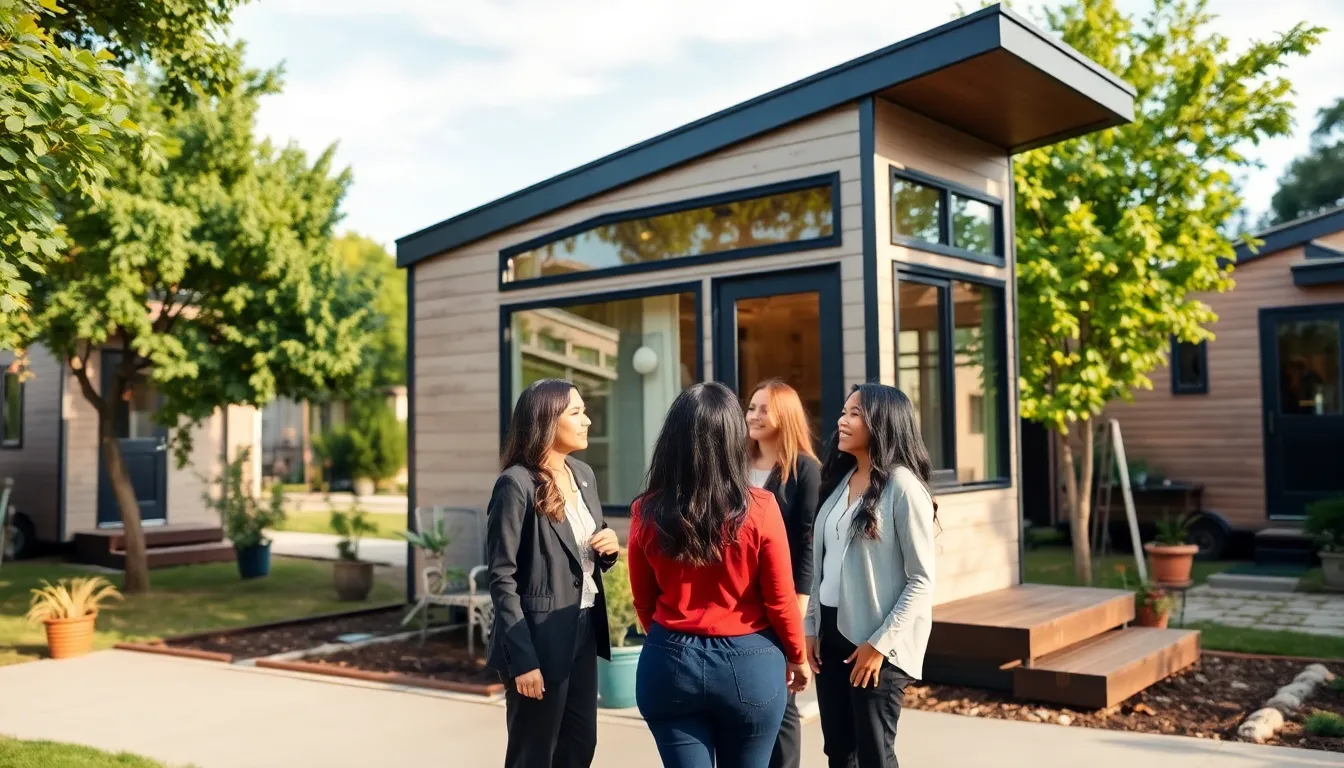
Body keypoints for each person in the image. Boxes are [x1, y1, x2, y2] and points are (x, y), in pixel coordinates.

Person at [628, 381, 811, 768]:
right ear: (732, 438)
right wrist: (797, 656)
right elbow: (780, 599)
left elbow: (643, 599)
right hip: (750, 662)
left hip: (669, 660)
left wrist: (667, 636)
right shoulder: (761, 507)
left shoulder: (646, 510)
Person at [484, 379, 622, 768]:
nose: (588, 421)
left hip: (582, 629)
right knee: (534, 755)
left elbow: (584, 551)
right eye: (576, 413)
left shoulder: (583, 474)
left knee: (580, 746)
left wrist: (607, 548)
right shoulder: (515, 484)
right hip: (537, 640)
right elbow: (501, 578)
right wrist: (522, 659)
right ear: (546, 420)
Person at [805, 383, 937, 768]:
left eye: (854, 413)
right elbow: (825, 565)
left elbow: (922, 579)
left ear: (882, 421)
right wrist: (812, 624)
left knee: (875, 755)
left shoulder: (904, 487)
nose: (841, 421)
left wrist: (880, 645)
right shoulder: (839, 483)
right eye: (844, 412)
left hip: (880, 643)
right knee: (839, 753)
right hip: (830, 636)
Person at [745, 379, 822, 768]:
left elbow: (807, 546)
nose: (754, 415)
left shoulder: (806, 471)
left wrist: (797, 609)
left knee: (783, 700)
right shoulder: (733, 464)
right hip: (739, 602)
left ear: (785, 416)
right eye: (752, 407)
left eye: (764, 409)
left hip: (782, 598)